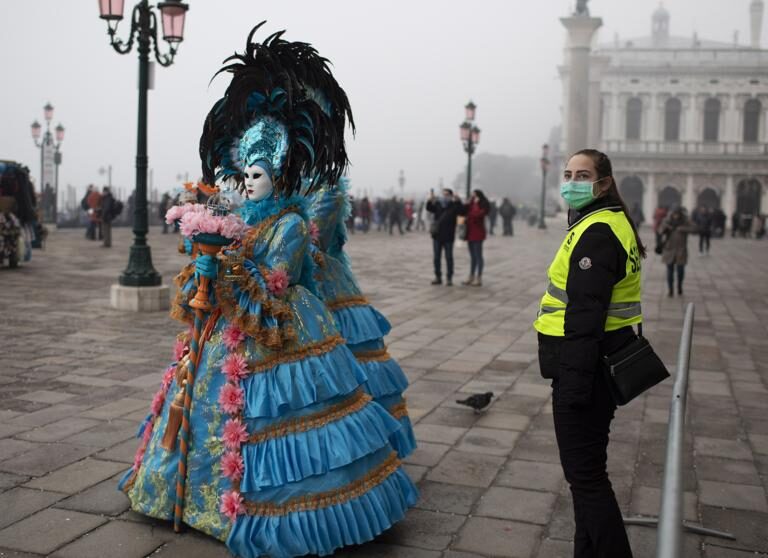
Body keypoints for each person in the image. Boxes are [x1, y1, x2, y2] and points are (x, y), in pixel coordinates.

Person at [118, 25, 418, 558]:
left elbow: (278, 281)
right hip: (228, 327)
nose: (250, 181)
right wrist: (207, 257)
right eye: (245, 173)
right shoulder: (239, 216)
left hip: (280, 325)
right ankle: (185, 494)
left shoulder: (293, 222)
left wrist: (230, 267)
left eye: (260, 173)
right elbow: (228, 264)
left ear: (278, 174)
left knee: (283, 415)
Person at [534, 148, 645, 558]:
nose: (572, 181)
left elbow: (584, 318)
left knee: (588, 482)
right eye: (567, 173)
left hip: (585, 370)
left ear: (603, 183)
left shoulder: (596, 233)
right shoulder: (609, 223)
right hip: (601, 364)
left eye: (582, 174)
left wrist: (573, 390)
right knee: (586, 480)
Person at [426, 188, 462, 286]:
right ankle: (438, 277)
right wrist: (430, 200)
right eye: (443, 194)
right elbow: (429, 208)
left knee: (449, 257)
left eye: (447, 195)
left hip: (449, 236)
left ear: (451, 196)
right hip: (437, 236)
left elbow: (461, 211)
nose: (444, 196)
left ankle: (449, 278)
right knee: (436, 257)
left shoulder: (454, 205)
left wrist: (458, 201)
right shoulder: (438, 204)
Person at [660, 207, 697, 297]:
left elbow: (694, 229)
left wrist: (683, 229)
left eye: (677, 214)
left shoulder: (685, 221)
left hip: (681, 250)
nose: (675, 216)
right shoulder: (667, 221)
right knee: (670, 270)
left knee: (680, 270)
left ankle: (679, 286)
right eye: (674, 214)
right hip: (669, 249)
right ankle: (670, 290)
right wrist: (666, 228)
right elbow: (660, 230)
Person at [461, 189, 490, 286]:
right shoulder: (470, 204)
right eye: (472, 196)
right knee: (472, 256)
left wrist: (475, 207)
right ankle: (471, 276)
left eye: (475, 196)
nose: (473, 197)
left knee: (478, 256)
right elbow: (463, 212)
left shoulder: (482, 205)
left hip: (478, 233)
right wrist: (467, 204)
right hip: (469, 233)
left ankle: (479, 277)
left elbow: (478, 215)